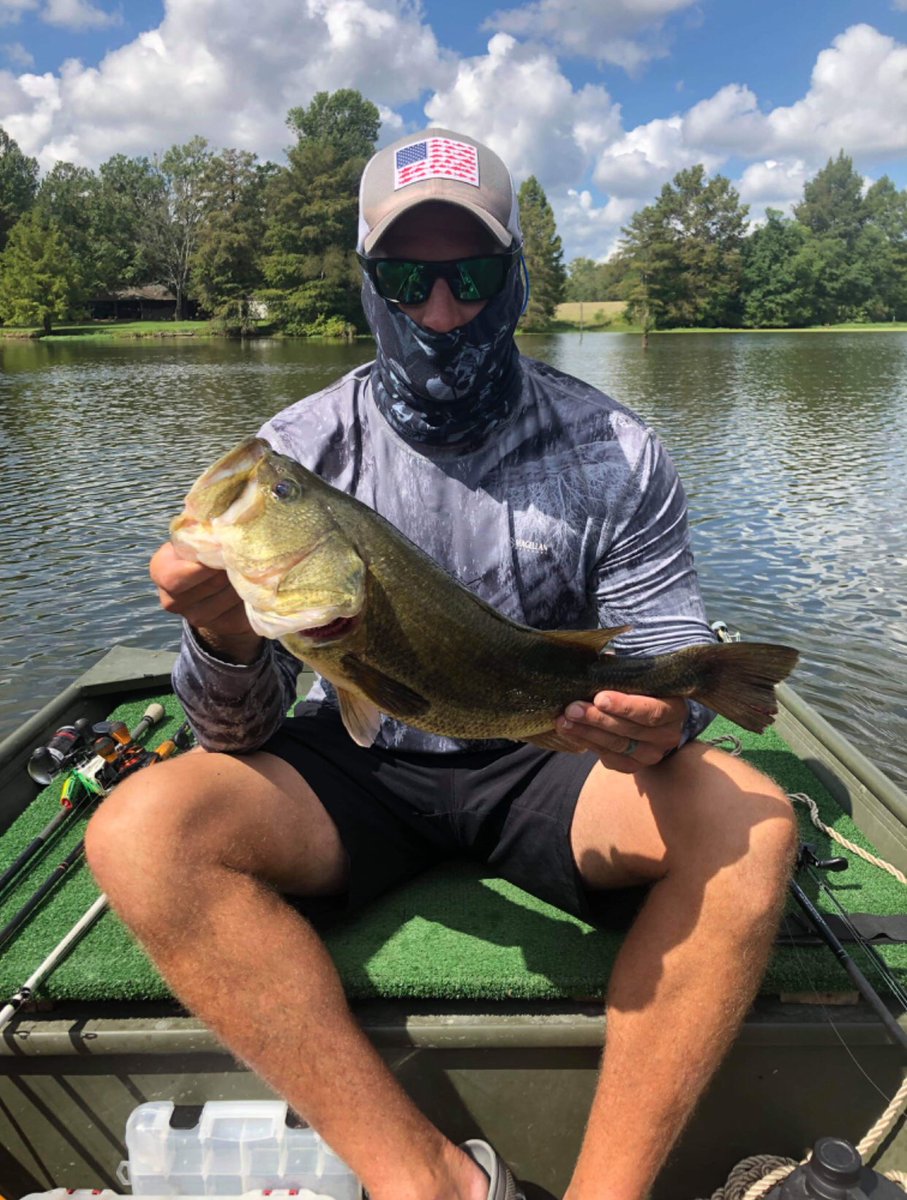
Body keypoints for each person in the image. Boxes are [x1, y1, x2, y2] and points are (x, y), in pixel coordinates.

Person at [85, 128, 798, 1200]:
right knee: (140, 832)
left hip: (547, 753)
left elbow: (653, 648)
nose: (441, 309)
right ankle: (429, 1182)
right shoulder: (300, 450)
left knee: (752, 828)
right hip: (360, 755)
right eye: (406, 278)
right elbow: (234, 737)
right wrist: (227, 632)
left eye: (470, 275)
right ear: (368, 284)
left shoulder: (614, 447)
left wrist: (666, 718)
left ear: (514, 275)